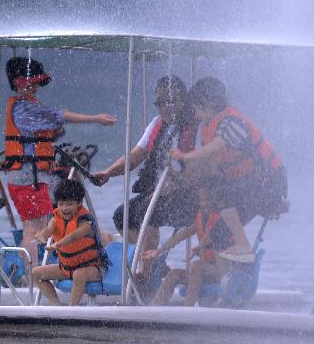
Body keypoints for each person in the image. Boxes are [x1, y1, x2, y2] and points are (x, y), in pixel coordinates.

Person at [3, 56, 115, 271]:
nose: (36, 87)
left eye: (37, 82)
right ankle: (33, 281)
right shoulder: (22, 109)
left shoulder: (28, 106)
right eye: (31, 82)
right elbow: (60, 115)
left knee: (46, 224)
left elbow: (51, 127)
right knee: (34, 229)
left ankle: (55, 267)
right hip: (30, 180)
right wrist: (95, 118)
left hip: (36, 178)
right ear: (18, 82)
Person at [171, 76, 287, 263]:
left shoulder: (231, 121)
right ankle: (234, 276)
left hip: (270, 182)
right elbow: (210, 166)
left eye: (196, 109)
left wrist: (186, 156)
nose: (195, 114)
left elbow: (218, 145)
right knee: (219, 233)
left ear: (208, 105)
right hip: (252, 183)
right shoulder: (209, 126)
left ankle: (243, 246)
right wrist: (181, 178)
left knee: (219, 192)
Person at [92, 75, 199, 254]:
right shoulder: (156, 124)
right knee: (122, 215)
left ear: (184, 100)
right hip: (160, 193)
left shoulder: (196, 127)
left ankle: (146, 270)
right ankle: (145, 260)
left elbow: (201, 170)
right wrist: (109, 172)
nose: (165, 108)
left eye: (170, 102)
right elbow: (134, 156)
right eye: (160, 103)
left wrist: (174, 185)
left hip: (189, 195)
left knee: (147, 212)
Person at [142, 187, 232, 306]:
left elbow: (210, 236)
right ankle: (154, 309)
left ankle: (187, 310)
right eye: (201, 200)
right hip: (204, 272)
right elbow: (181, 235)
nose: (204, 204)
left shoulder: (222, 219)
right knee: (174, 274)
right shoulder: (202, 218)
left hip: (223, 272)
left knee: (196, 266)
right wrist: (158, 251)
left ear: (214, 199)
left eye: (208, 199)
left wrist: (199, 246)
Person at [32, 179, 109, 306]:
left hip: (94, 268)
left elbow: (74, 236)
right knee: (36, 273)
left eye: (69, 204)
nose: (64, 208)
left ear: (79, 203)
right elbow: (49, 229)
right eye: (61, 204)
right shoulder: (56, 217)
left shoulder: (85, 221)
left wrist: (59, 244)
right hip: (67, 268)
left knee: (79, 275)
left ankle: (71, 310)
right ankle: (56, 306)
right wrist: (42, 235)